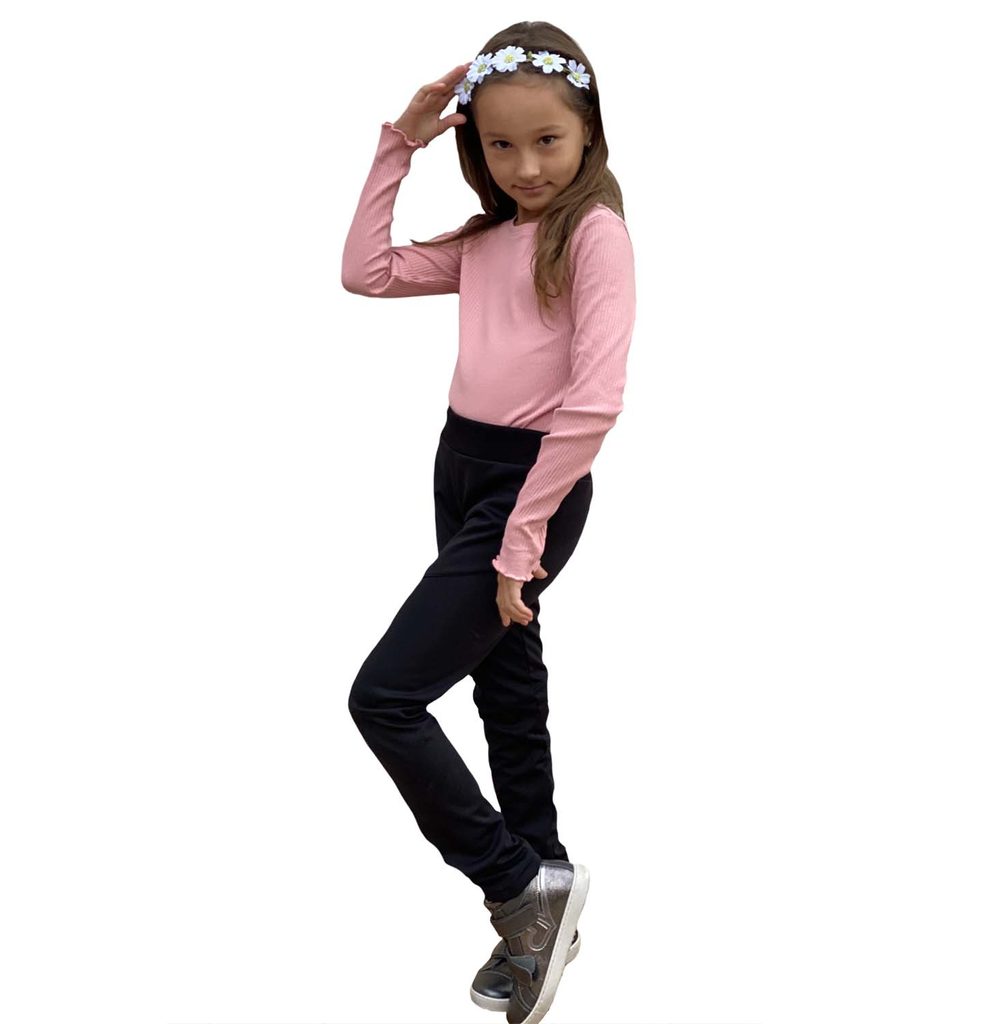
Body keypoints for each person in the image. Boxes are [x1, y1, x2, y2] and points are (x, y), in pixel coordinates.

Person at [341, 22, 636, 1024]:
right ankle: (543, 890)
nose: (526, 167)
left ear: (588, 132)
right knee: (505, 686)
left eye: (547, 140)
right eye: (501, 145)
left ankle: (514, 885)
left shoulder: (593, 235)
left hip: (532, 487)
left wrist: (522, 539)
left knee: (385, 697)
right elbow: (367, 271)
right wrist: (401, 140)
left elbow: (592, 403)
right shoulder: (486, 239)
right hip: (461, 467)